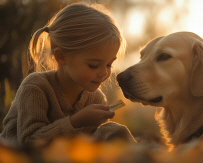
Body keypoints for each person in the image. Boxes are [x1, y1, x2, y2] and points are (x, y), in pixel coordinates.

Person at [0, 3, 126, 145]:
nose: (104, 72)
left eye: (109, 64)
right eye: (93, 65)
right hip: (15, 156)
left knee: (113, 129)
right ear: (61, 57)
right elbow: (29, 142)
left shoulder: (96, 99)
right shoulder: (36, 87)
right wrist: (76, 121)